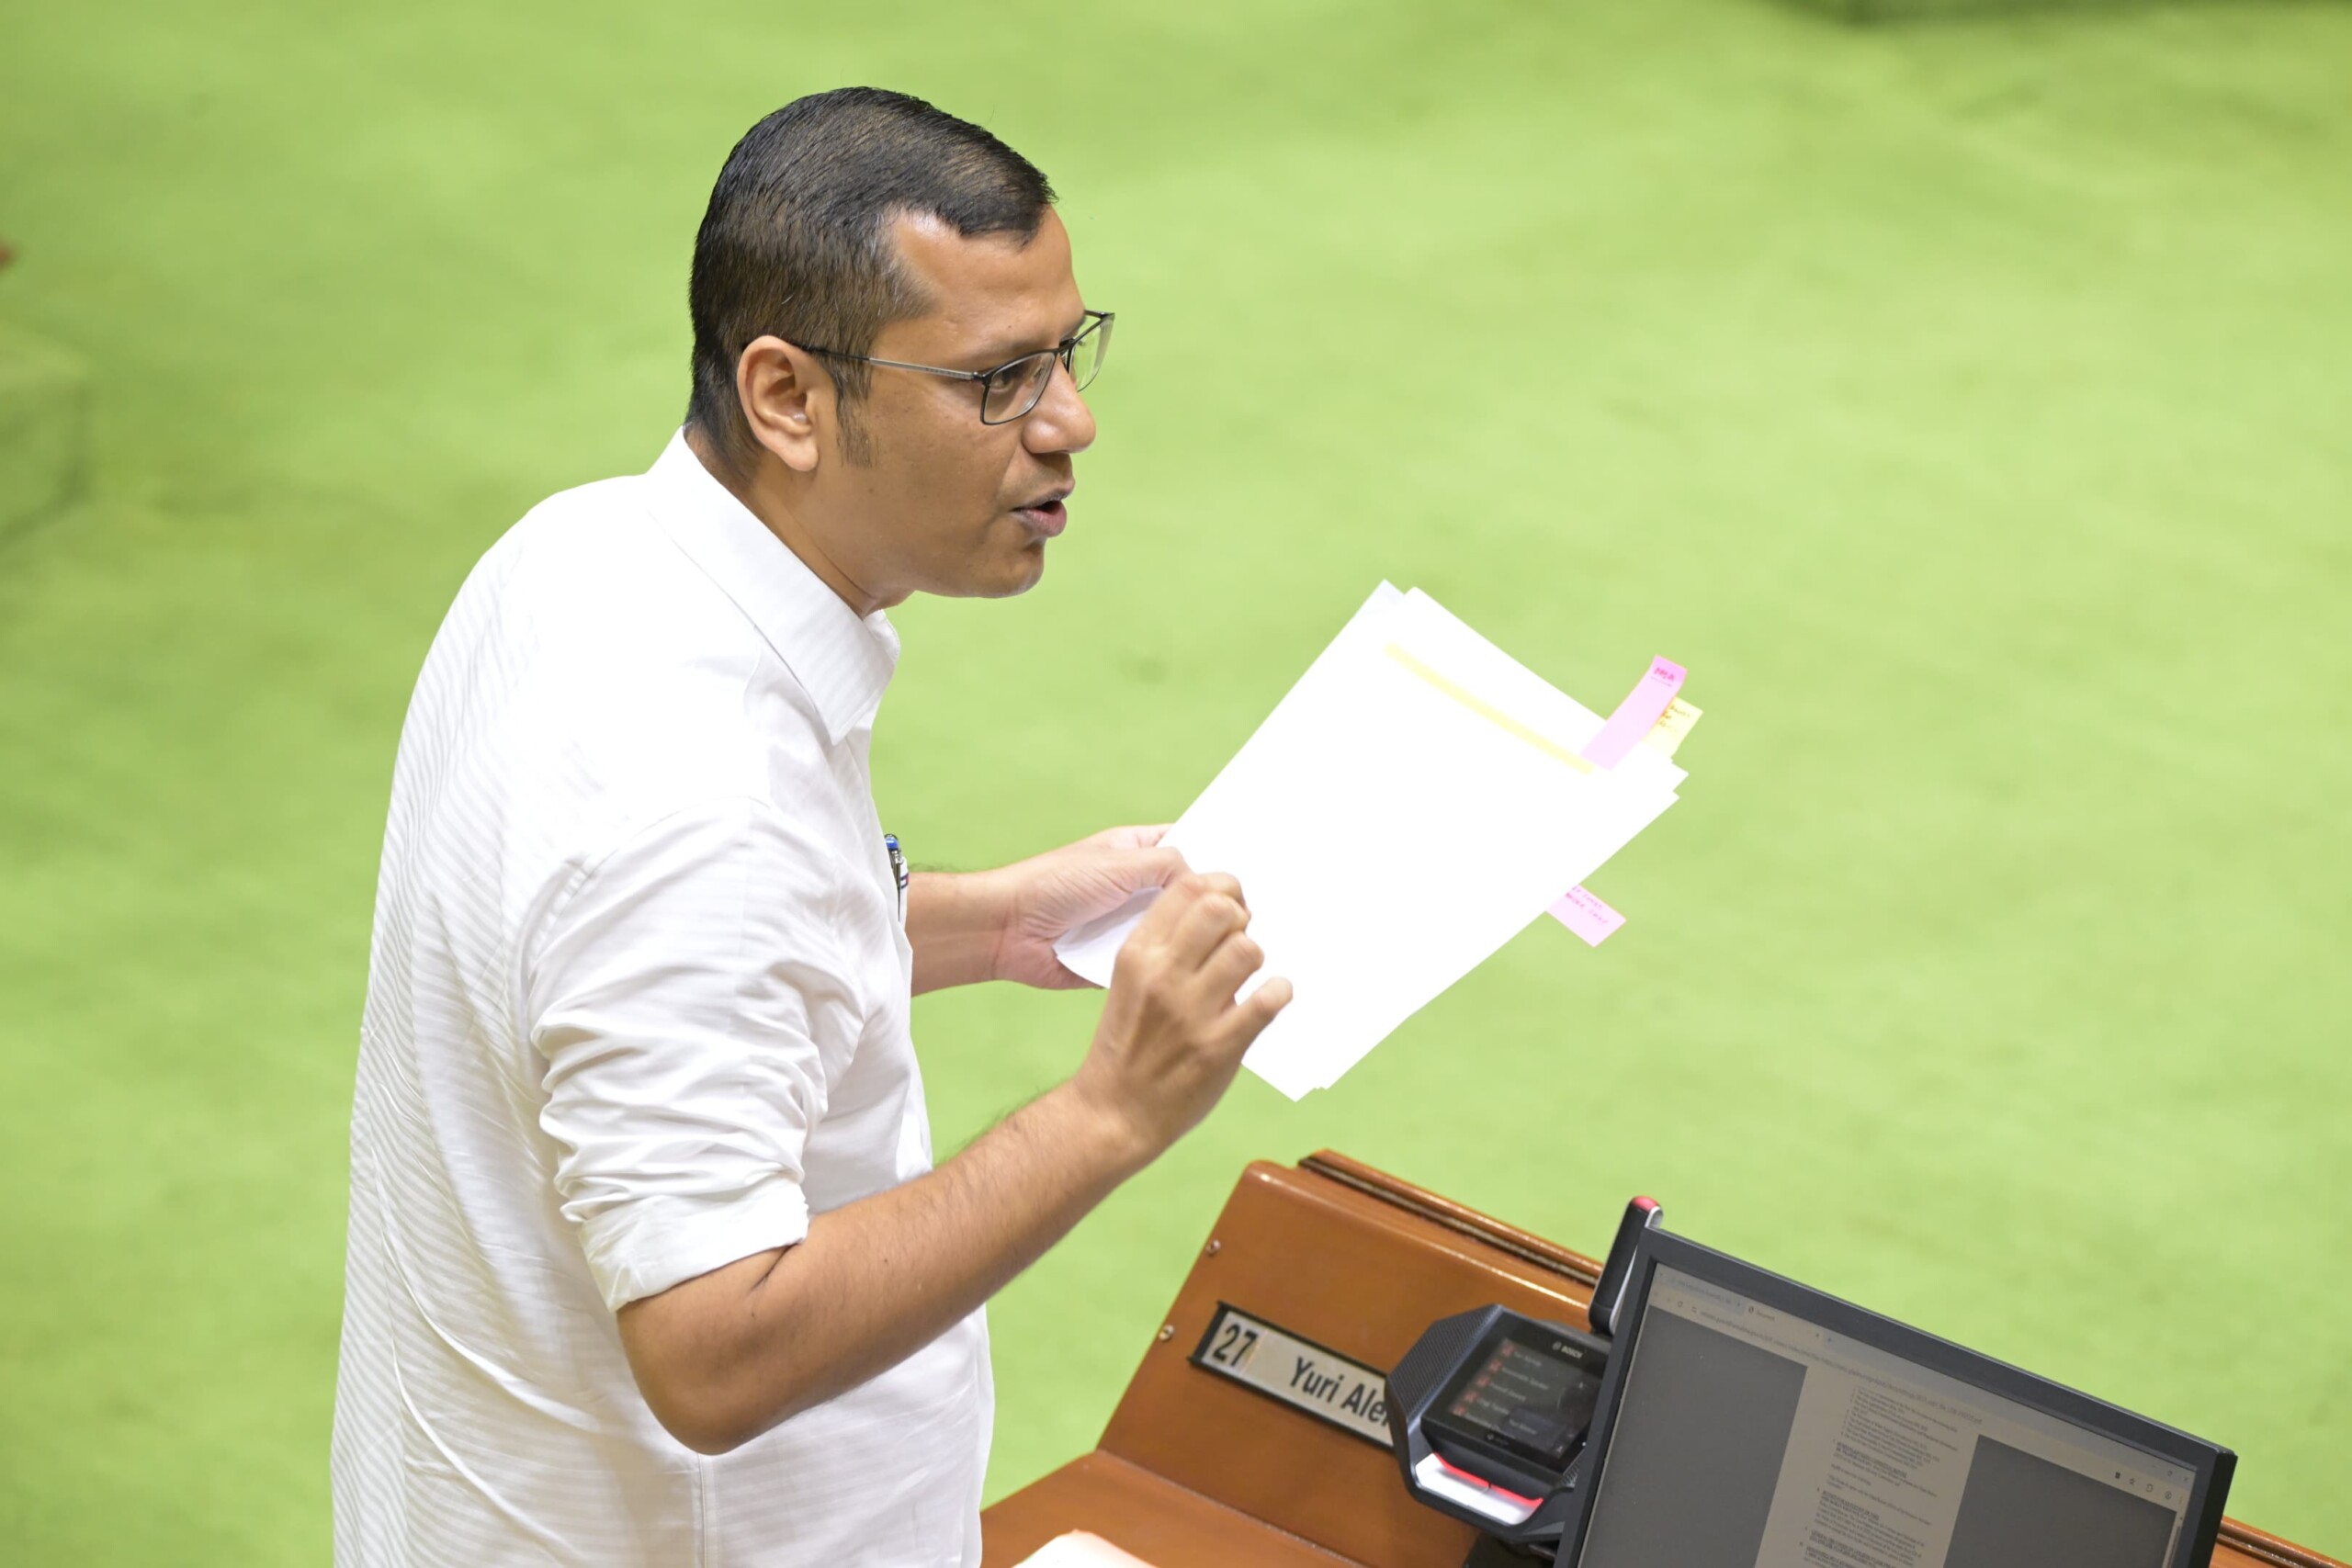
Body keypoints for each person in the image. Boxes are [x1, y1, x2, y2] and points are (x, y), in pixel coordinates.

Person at [330, 87, 1292, 1567]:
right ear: (787, 397)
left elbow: (617, 969)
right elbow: (715, 1345)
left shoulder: (574, 553)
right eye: (999, 379)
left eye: (1069, 352)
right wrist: (1110, 1109)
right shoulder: (701, 804)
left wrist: (989, 924)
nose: (1070, 422)